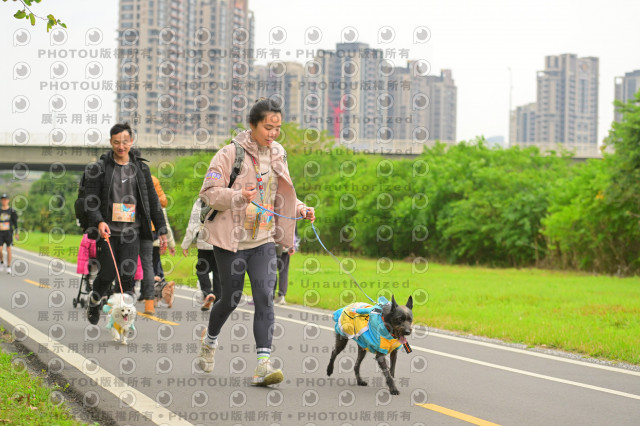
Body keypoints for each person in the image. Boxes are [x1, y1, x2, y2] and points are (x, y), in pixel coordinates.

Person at [197, 98, 315, 386]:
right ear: (252, 125)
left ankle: (263, 364)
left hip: (263, 240)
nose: (273, 133)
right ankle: (210, 341)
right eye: (267, 127)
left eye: (277, 128)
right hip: (231, 241)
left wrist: (300, 208)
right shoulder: (229, 154)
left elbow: (280, 194)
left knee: (264, 296)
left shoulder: (278, 154)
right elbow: (209, 193)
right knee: (231, 298)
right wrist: (237, 197)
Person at [83, 122, 167, 325]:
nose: (121, 146)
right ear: (110, 142)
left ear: (131, 141)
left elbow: (153, 201)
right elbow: (90, 200)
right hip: (108, 232)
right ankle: (94, 301)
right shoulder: (100, 168)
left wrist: (162, 229)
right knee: (107, 273)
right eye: (116, 142)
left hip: (132, 231)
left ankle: (122, 322)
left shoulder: (141, 169)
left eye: (125, 142)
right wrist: (99, 221)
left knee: (128, 276)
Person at [180, 200, 220, 311]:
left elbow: (192, 225)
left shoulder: (201, 201)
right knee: (218, 272)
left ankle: (207, 292)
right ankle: (218, 302)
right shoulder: (223, 198)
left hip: (204, 243)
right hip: (220, 243)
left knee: (202, 270)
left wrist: (185, 245)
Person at [137, 175, 169, 314]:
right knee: (149, 262)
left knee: (138, 261)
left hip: (137, 226)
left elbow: (162, 202)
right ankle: (148, 296)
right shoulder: (152, 179)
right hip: (150, 228)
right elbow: (163, 202)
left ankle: (140, 294)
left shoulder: (147, 179)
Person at [273, 225, 299, 305]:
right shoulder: (292, 217)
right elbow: (294, 232)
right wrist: (293, 245)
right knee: (282, 271)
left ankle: (273, 295)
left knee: (272, 270)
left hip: (277, 245)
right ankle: (280, 296)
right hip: (285, 244)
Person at [0, 193, 19, 274]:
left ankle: (8, 266)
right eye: (2, 199)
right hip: (0, 233)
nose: (4, 201)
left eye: (5, 199)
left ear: (8, 200)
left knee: (8, 249)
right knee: (0, 249)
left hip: (8, 233)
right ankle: (1, 262)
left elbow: (15, 223)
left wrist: (16, 233)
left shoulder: (12, 211)